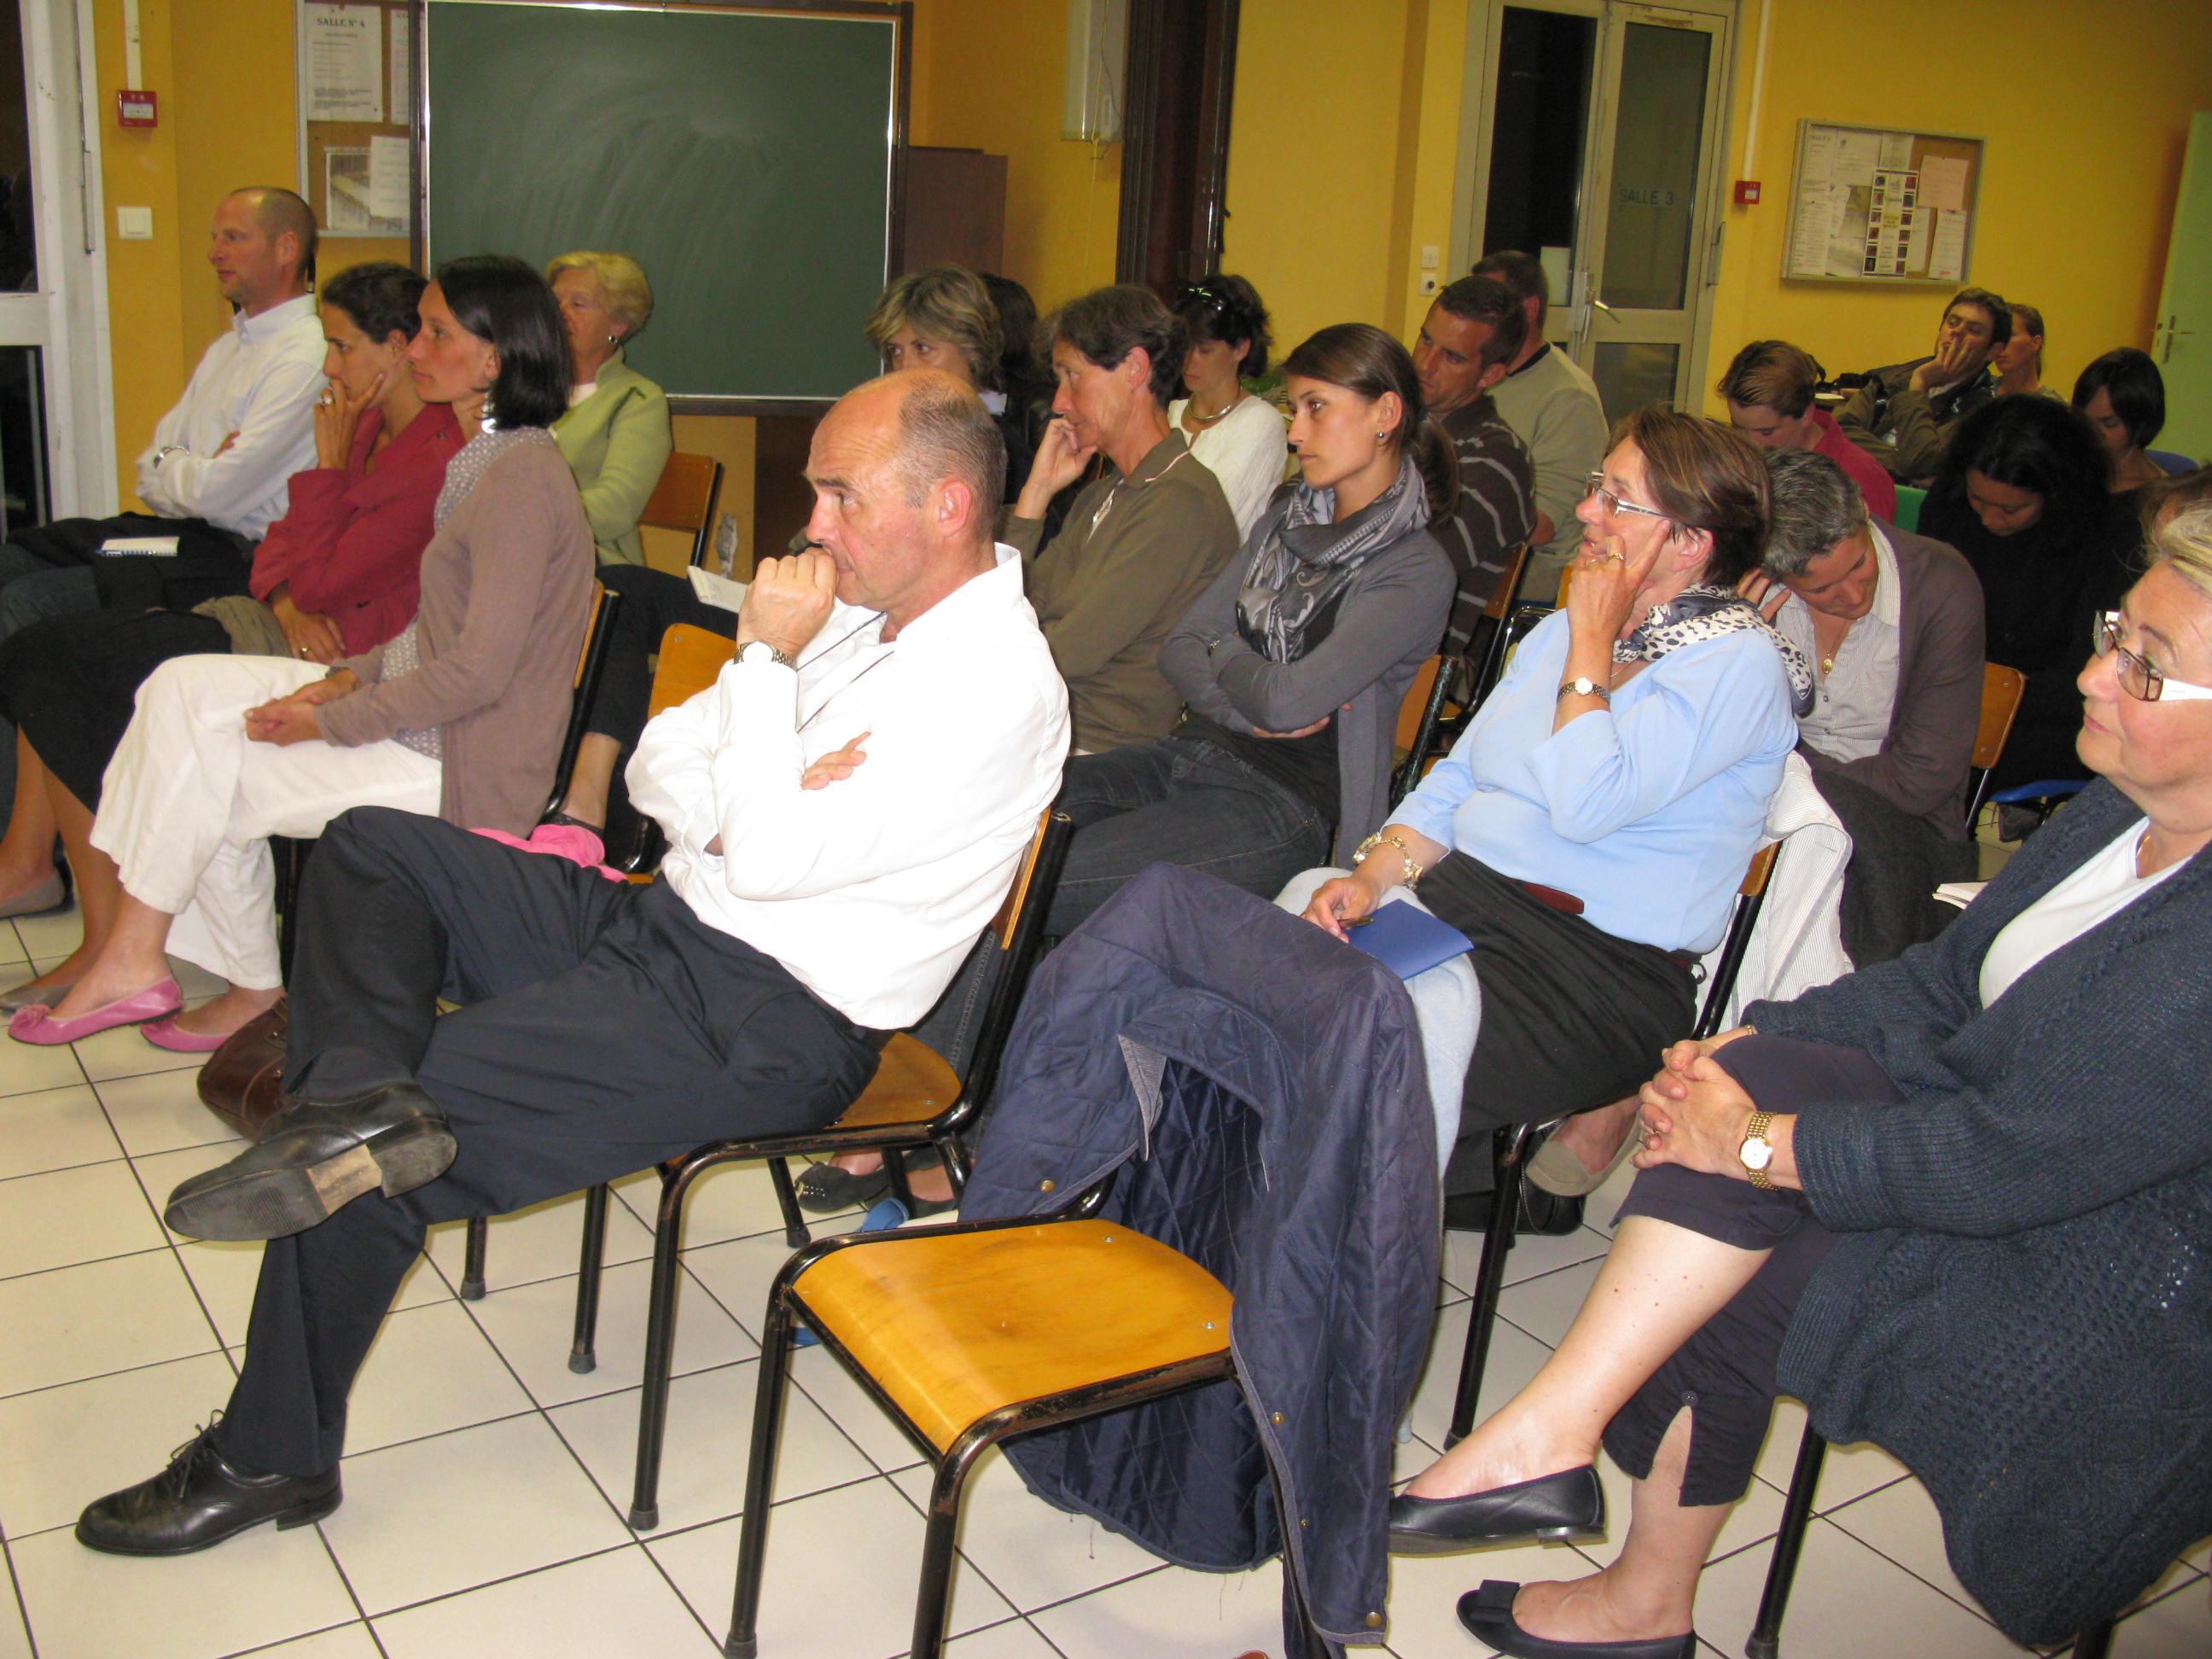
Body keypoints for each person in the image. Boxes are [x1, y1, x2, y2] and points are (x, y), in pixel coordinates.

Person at [71, 369, 1068, 1556]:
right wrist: (745, 786)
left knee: (366, 1170)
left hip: (764, 1023)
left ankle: (270, 1451)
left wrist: (757, 679)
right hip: (664, 927)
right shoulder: (866, 618)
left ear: (949, 506)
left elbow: (764, 842)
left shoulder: (994, 685)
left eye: (842, 497)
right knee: (374, 852)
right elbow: (663, 758)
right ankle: (360, 1109)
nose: (814, 527)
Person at [1382, 504, 2212, 1658]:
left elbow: (2017, 1160)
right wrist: (1736, 1054)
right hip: (1997, 1144)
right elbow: (1938, 989)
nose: (2093, 674)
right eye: (2118, 633)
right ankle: (1570, 1466)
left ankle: (1619, 1561)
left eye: (2146, 667)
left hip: (2110, 1267)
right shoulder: (2111, 819)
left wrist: (1764, 1143)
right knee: (1743, 1092)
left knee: (1757, 1259)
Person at [3, 255, 593, 1051]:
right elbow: (431, 636)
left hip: (464, 762)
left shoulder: (519, 480)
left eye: (435, 331)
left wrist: (333, 718)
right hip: (432, 718)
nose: (412, 347)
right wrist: (346, 677)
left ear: (492, 361)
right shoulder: (483, 460)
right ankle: (147, 957)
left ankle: (217, 979)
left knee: (211, 759)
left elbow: (478, 672)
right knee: (176, 688)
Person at [1297, 408, 1804, 1211]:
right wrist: (1376, 874)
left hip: (1590, 972)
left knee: (1348, 1062)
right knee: (1282, 987)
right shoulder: (1565, 632)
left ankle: (1324, 1268)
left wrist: (1593, 647)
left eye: (1617, 499)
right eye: (1598, 486)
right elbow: (1460, 777)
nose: (1585, 511)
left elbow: (1585, 803)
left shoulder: (1734, 664)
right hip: (1464, 906)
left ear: (1689, 542)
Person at [546, 263, 1028, 841]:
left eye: (923, 348)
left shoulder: (985, 456)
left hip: (820, 620)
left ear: (972, 350)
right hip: (818, 611)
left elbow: (769, 850)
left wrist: (768, 656)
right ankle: (583, 797)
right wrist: (721, 827)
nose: (905, 366)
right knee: (624, 590)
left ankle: (586, 812)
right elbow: (666, 749)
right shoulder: (869, 518)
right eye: (895, 352)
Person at [1042, 323, 1456, 936]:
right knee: (997, 828)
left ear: (1385, 414)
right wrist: (1238, 698)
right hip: (1186, 752)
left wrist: (1223, 649)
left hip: (1279, 804)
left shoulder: (1415, 570)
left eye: (1317, 408)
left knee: (1035, 883)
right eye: (1295, 409)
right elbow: (1180, 646)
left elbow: (1289, 703)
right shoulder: (1287, 519)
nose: (1295, 432)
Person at [0, 188, 326, 806]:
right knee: (14, 559)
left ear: (287, 249)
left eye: (232, 238)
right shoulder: (230, 346)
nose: (213, 253)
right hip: (179, 533)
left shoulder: (304, 352)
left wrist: (189, 468)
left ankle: (27, 836)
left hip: (232, 554)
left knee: (26, 603)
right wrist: (191, 467)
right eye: (214, 237)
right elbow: (151, 463)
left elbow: (224, 497)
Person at [1742, 449, 1982, 965]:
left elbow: (1922, 777)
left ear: (1864, 515)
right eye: (1822, 589)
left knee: (1808, 911)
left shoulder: (1940, 583)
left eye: (1860, 563)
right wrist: (1736, 637)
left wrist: (1792, 779)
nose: (1854, 595)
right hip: (1775, 806)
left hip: (1906, 831)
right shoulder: (1753, 596)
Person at [1007, 283, 1241, 754]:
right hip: (1041, 730)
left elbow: (1065, 653)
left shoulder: (1181, 503)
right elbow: (1007, 603)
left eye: (1072, 376)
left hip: (1099, 752)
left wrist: (1009, 637)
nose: (1059, 402)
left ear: (1134, 369)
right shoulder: (1101, 496)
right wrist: (1034, 496)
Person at [1920, 395, 2137, 795]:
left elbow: (2086, 674)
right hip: (1954, 693)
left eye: (2012, 509)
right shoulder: (1950, 507)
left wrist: (1979, 696)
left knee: (1931, 764)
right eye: (1978, 500)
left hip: (2045, 712)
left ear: (2055, 494)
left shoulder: (2108, 540)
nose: (1989, 519)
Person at [1469, 249, 1608, 602]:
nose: (1477, 320)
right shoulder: (1481, 375)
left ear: (1530, 309)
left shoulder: (1568, 398)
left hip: (1531, 584)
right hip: (1480, 562)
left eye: (1491, 307)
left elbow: (1542, 526)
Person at [1412, 275, 1537, 650]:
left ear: (1491, 375)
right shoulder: (1395, 424)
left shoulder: (1499, 459)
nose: (1425, 365)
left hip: (1416, 668)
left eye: (1451, 356)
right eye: (1425, 340)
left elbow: (1409, 569)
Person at [546, 250, 672, 566]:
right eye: (554, 302)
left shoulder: (638, 400)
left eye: (578, 304)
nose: (559, 313)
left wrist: (532, 523)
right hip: (522, 556)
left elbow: (616, 507)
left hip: (596, 573)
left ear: (618, 324)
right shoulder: (524, 389)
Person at [1835, 287, 2011, 486]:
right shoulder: (1894, 378)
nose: (1957, 332)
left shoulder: (1986, 412)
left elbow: (1922, 461)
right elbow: (1839, 431)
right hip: (1858, 485)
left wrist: (1918, 387)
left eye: (1973, 330)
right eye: (1952, 323)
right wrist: (1904, 468)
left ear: (1993, 351)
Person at [1717, 338, 1898, 521]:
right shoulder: (1736, 466)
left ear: (1806, 415)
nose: (1750, 443)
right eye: (1738, 427)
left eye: (1766, 432)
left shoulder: (1861, 477)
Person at [1167, 276, 1289, 539]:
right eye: (1184, 346)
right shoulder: (1168, 414)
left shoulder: (1260, 423)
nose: (1189, 361)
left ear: (1241, 349)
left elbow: (1214, 523)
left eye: (1205, 350)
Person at [2072, 346, 2170, 495]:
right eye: (2084, 421)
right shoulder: (2070, 475)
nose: (2091, 433)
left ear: (2141, 421)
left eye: (2109, 423)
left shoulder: (2159, 499)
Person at [1992, 300, 2055, 399]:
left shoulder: (2052, 408)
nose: (1999, 344)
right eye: (1995, 336)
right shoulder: (1979, 395)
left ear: (2035, 343)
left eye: (2009, 335)